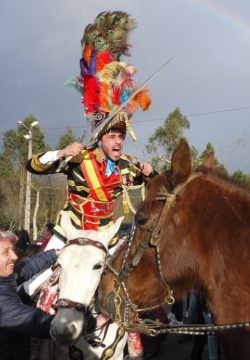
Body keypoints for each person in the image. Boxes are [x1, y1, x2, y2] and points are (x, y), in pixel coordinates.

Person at [24, 11, 154, 359]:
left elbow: (154, 187)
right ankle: (33, 338)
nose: (118, 142)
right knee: (31, 285)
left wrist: (150, 171)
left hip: (107, 237)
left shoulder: (128, 164)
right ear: (101, 137)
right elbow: (32, 166)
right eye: (112, 135)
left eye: (121, 136)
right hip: (70, 232)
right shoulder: (79, 157)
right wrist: (59, 152)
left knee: (130, 290)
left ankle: (133, 341)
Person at [0, 230, 57, 360]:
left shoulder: (5, 277)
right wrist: (89, 323)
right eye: (6, 252)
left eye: (12, 250)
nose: (14, 256)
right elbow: (39, 323)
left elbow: (27, 268)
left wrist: (57, 253)